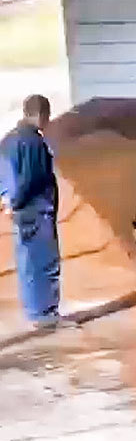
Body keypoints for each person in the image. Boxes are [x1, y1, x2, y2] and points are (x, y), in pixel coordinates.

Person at [0, 95, 64, 329]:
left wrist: (7, 201)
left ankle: (33, 311)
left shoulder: (8, 140)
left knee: (27, 262)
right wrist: (16, 200)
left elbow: (5, 177)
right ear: (42, 115)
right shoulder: (34, 143)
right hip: (37, 211)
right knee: (44, 262)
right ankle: (45, 314)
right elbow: (28, 180)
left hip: (20, 212)